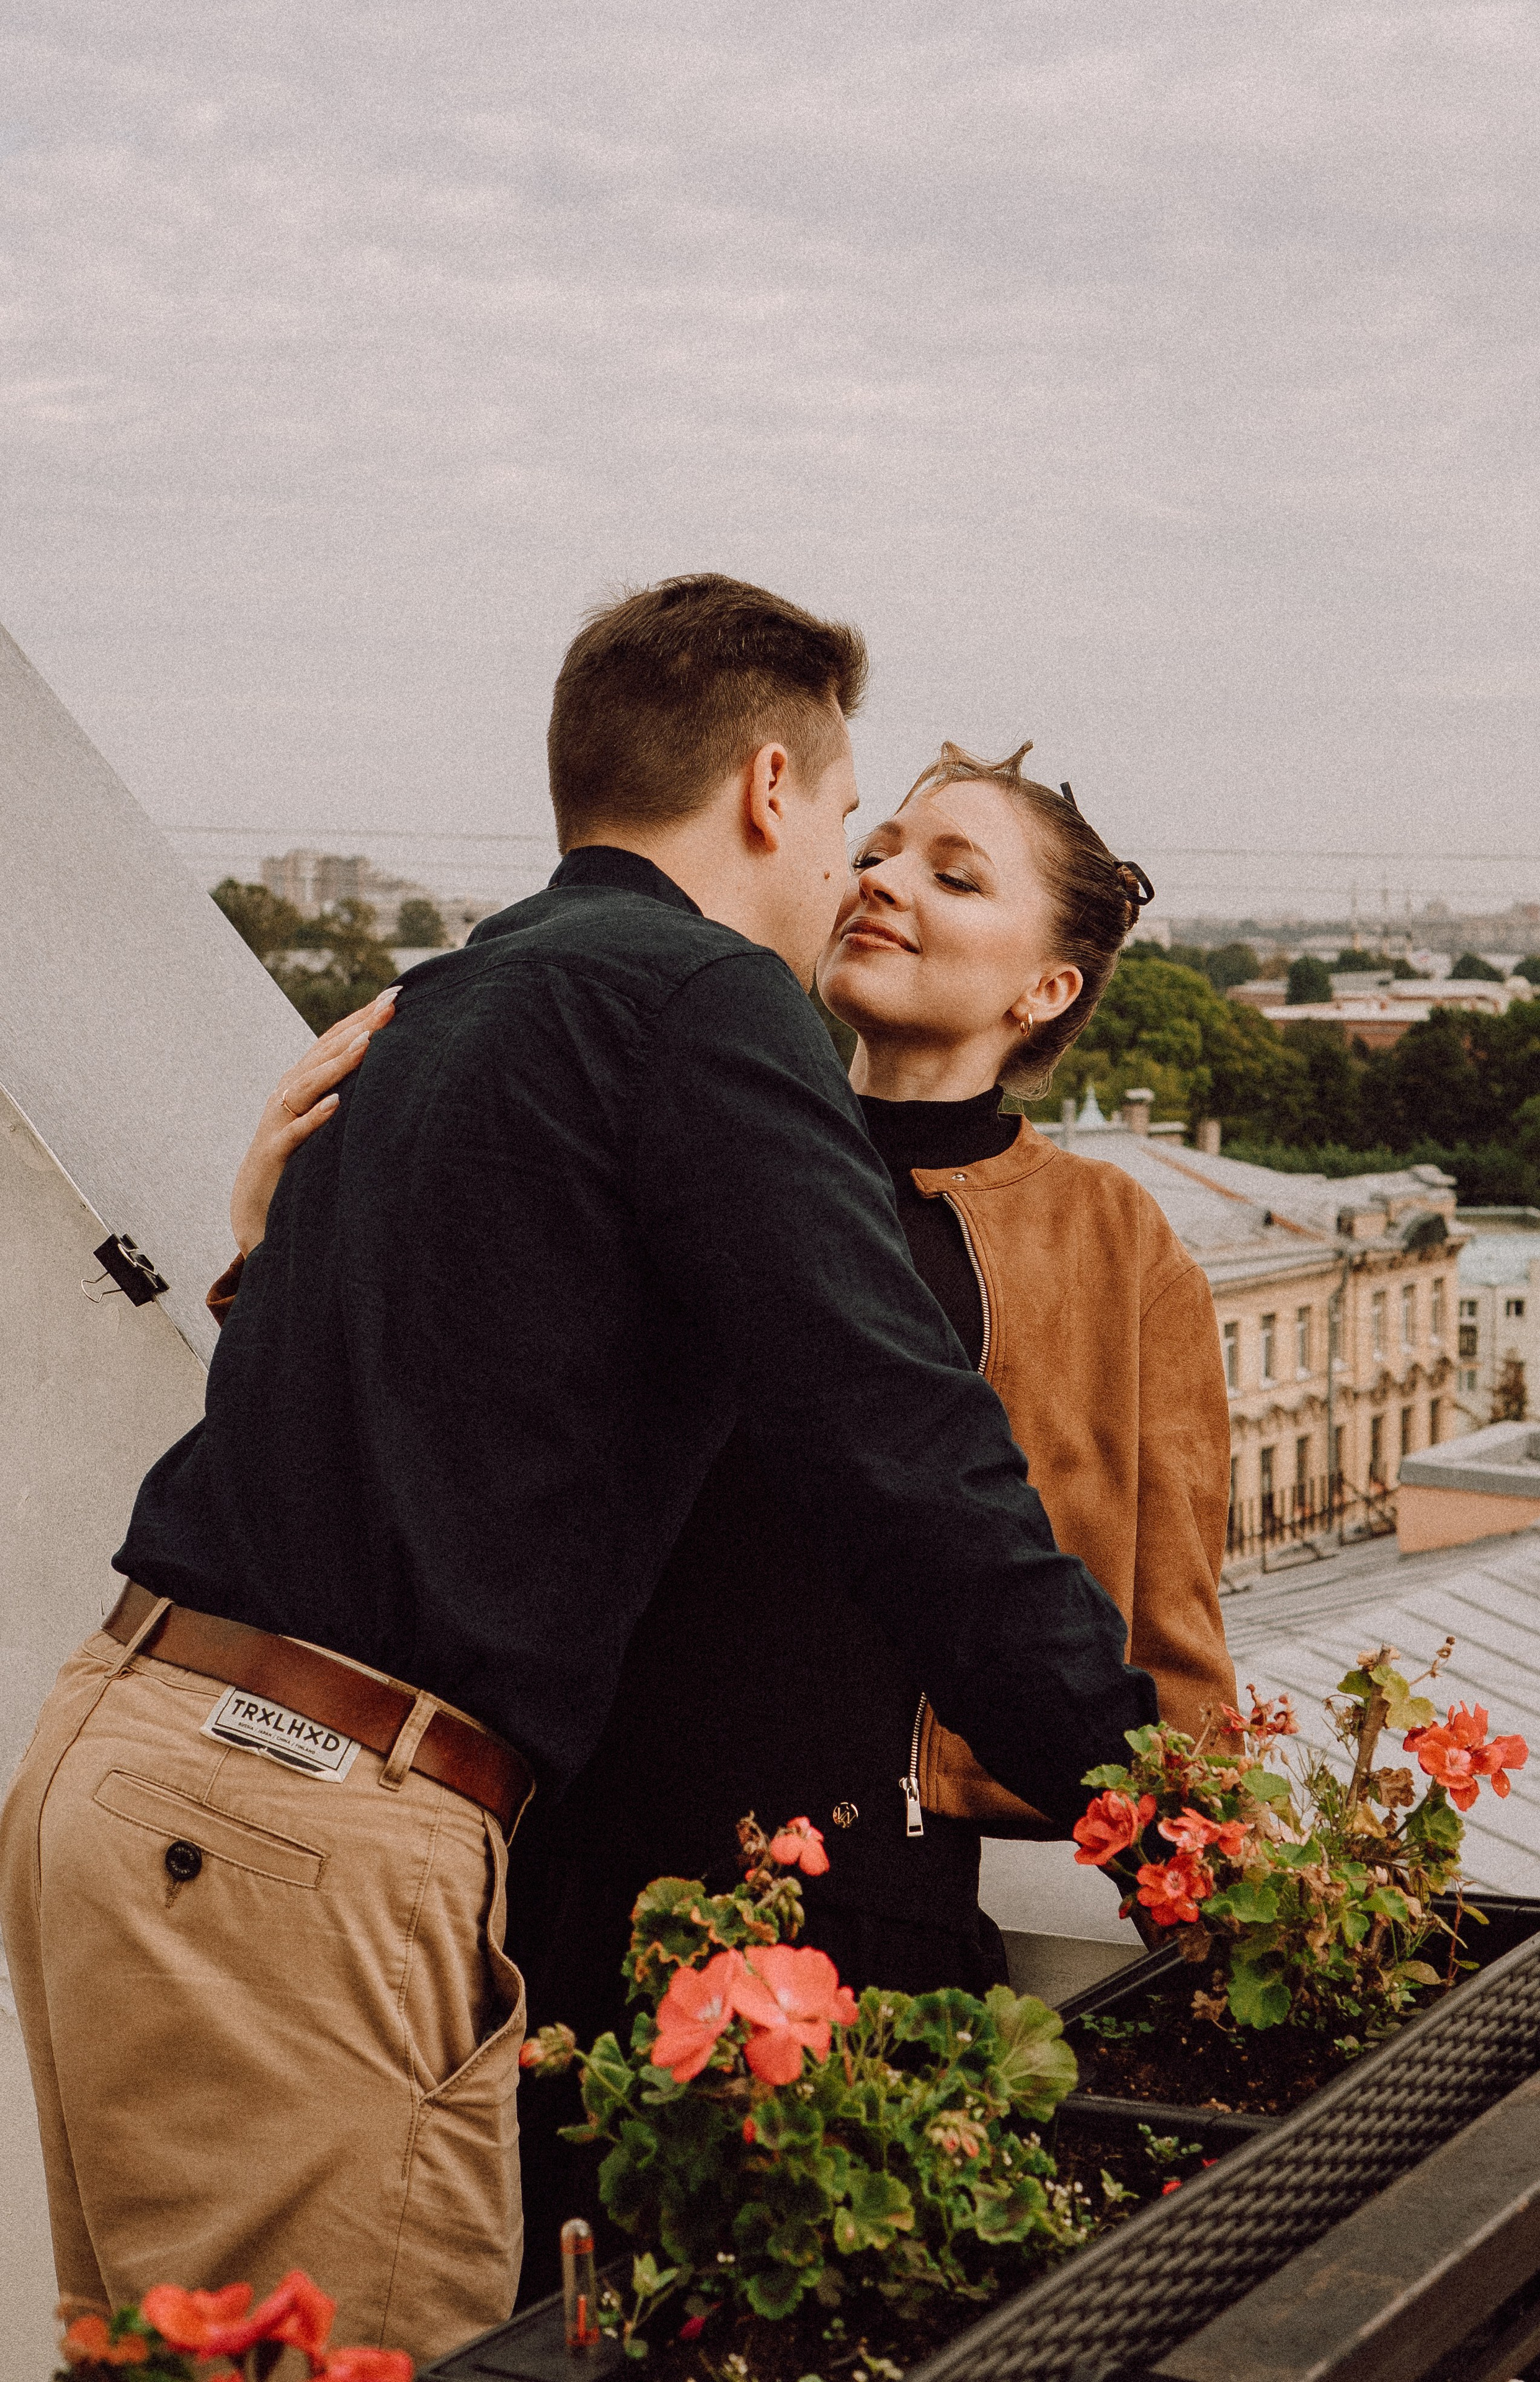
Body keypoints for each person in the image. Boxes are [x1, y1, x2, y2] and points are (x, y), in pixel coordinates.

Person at [0, 576, 1155, 2365]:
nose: (848, 862)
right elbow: (903, 1446)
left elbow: (436, 1373)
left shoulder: (456, 996)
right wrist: (1158, 1807)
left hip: (130, 1767)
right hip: (300, 1814)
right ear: (770, 788)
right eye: (852, 812)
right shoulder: (698, 998)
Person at [217, 739, 1235, 2298]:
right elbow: (449, 1411)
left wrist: (1212, 1877)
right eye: (878, 845)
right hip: (576, 1868)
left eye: (954, 875)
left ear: (1047, 992)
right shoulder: (685, 1126)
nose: (884, 878)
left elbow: (1166, 1614)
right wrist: (274, 1245)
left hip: (871, 1898)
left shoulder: (1115, 1243)